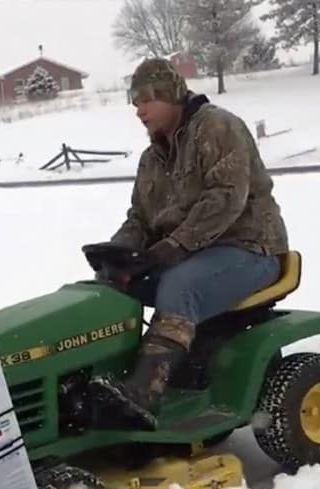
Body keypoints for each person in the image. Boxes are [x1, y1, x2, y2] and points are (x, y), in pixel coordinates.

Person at [89, 57, 289, 428]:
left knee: (180, 286)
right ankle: (97, 385)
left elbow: (226, 196)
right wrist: (118, 256)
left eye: (146, 100)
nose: (139, 111)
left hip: (248, 247)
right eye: (134, 103)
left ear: (171, 95)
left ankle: (145, 391)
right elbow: (140, 219)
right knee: (108, 291)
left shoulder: (217, 127)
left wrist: (174, 246)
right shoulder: (152, 159)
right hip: (189, 255)